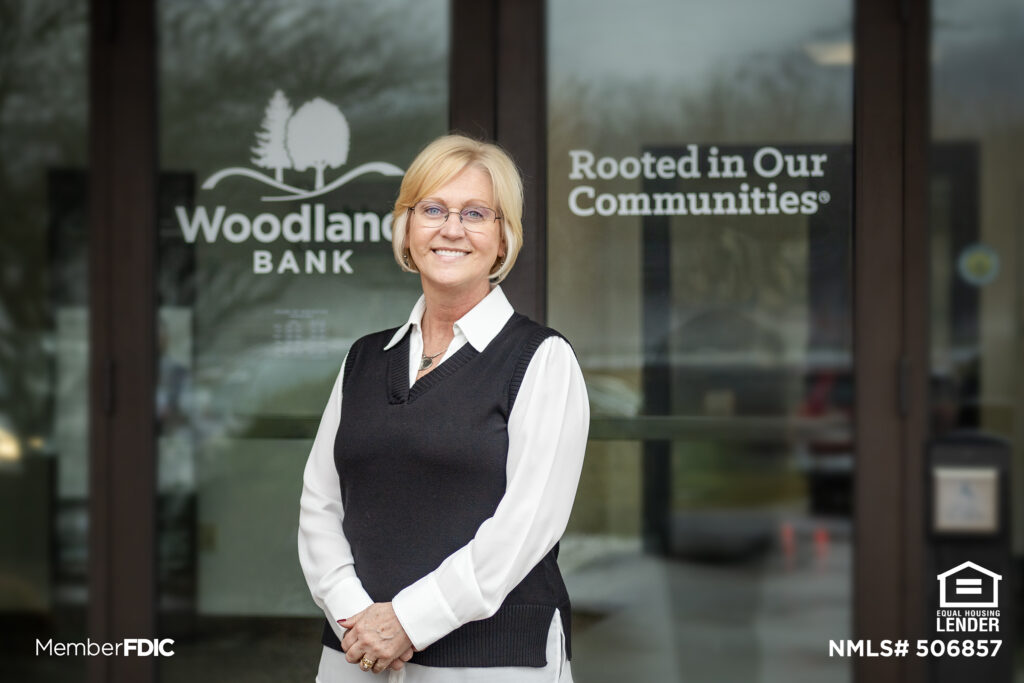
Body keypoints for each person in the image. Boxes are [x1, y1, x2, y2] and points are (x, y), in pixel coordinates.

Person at [298, 134, 589, 682]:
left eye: (476, 213)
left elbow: (525, 527)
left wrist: (406, 621)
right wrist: (355, 617)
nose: (451, 229)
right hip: (357, 656)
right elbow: (320, 503)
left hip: (492, 661)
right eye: (432, 209)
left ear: (503, 239)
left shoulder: (541, 358)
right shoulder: (364, 358)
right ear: (407, 228)